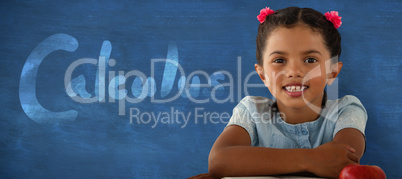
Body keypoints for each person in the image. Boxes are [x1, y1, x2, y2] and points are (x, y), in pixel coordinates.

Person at [208, 6, 367, 179]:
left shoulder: (346, 110)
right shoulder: (252, 111)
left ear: (332, 72)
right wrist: (310, 160)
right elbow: (218, 161)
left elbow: (341, 161)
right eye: (279, 60)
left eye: (310, 60)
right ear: (262, 75)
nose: (294, 71)